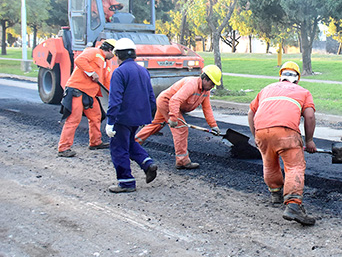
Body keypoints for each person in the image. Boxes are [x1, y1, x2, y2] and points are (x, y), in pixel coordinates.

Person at [248, 61, 317, 226]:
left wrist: (257, 137)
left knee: (269, 162)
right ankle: (293, 205)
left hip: (261, 131)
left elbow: (251, 113)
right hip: (286, 132)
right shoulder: (303, 91)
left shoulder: (266, 89)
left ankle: (276, 194)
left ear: (280, 76)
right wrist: (309, 140)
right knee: (294, 166)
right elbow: (309, 116)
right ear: (297, 79)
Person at [135, 65, 222, 169]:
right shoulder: (191, 84)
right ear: (204, 78)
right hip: (166, 102)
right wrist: (173, 118)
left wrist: (213, 125)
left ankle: (132, 144)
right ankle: (182, 161)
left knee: (156, 125)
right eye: (212, 83)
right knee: (181, 129)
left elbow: (207, 108)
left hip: (170, 104)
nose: (212, 86)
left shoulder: (205, 91)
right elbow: (175, 100)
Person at [105, 38, 158, 193]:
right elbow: (151, 96)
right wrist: (151, 114)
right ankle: (147, 163)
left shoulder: (119, 72)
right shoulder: (143, 70)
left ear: (118, 55)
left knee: (118, 148)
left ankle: (126, 182)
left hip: (122, 118)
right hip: (138, 117)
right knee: (129, 143)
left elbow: (115, 100)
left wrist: (110, 121)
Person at [57, 39, 116, 157]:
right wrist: (91, 72)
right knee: (73, 119)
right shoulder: (94, 52)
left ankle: (95, 142)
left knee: (96, 116)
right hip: (77, 90)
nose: (115, 55)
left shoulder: (106, 62)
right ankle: (63, 148)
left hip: (90, 93)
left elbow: (105, 80)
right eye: (114, 52)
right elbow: (79, 60)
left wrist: (112, 94)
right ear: (109, 49)